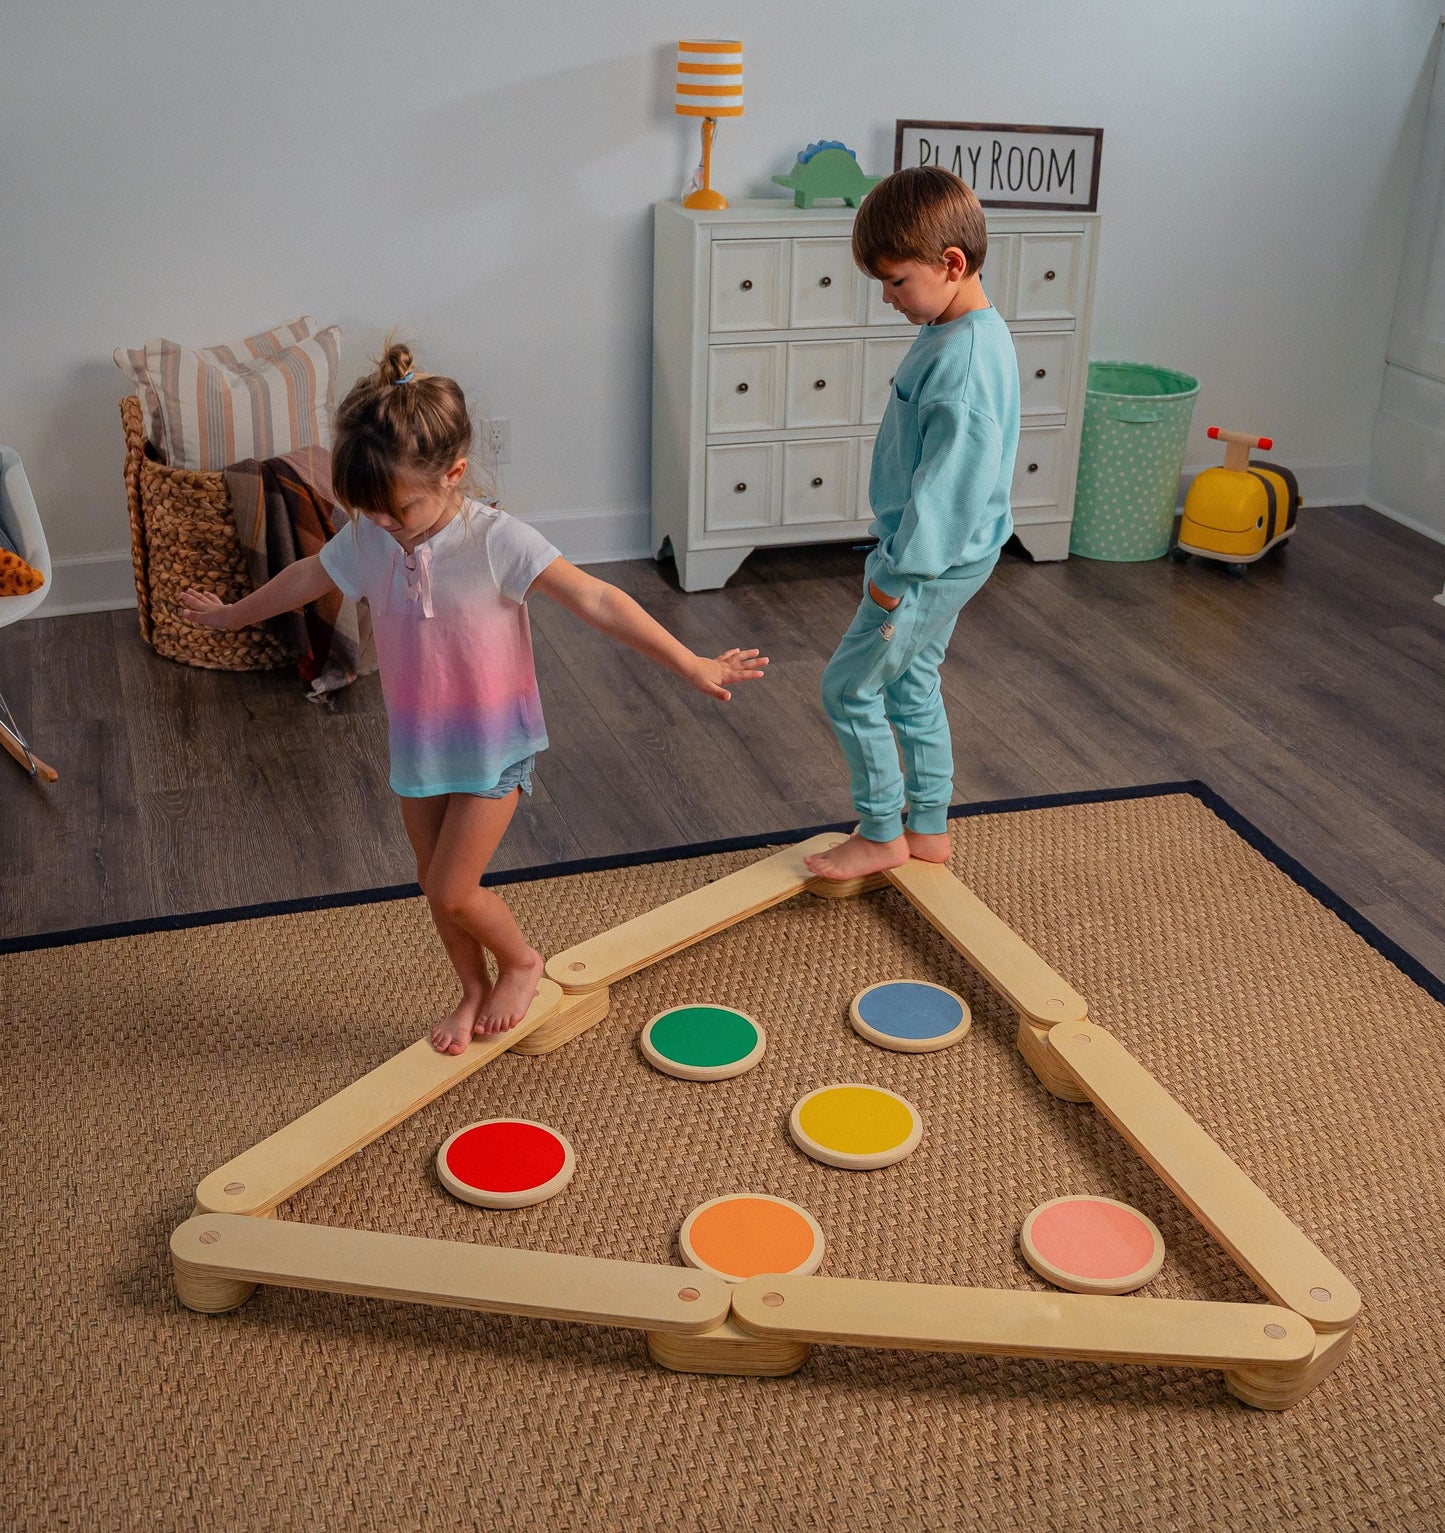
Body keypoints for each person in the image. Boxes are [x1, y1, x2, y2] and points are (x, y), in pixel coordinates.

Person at [182, 342, 767, 1054]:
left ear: (453, 474)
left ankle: (520, 961)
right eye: (368, 511)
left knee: (457, 889)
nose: (383, 525)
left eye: (397, 509)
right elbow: (308, 575)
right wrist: (229, 613)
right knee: (433, 885)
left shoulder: (496, 541)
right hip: (418, 746)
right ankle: (472, 989)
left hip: (495, 746)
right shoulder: (371, 535)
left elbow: (596, 598)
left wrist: (689, 661)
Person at [803, 166, 1019, 883]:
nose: (888, 298)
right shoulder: (961, 328)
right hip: (947, 557)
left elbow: (949, 487)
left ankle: (879, 831)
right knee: (911, 682)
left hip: (925, 563)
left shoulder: (961, 362)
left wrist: (898, 575)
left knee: (848, 687)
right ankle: (926, 827)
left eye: (895, 281)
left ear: (950, 265)